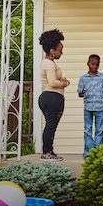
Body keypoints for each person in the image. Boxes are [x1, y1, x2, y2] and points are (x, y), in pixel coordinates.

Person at [38, 28, 69, 161]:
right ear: (52, 51)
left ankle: (49, 151)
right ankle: (47, 152)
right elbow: (52, 82)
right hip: (51, 97)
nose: (61, 52)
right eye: (59, 50)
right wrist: (64, 83)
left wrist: (61, 82)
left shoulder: (49, 63)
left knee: (50, 125)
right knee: (50, 125)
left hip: (50, 97)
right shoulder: (49, 64)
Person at [77, 54, 103, 158]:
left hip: (100, 107)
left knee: (99, 130)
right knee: (88, 129)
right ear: (88, 64)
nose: (95, 66)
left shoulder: (102, 77)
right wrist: (85, 93)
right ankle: (88, 152)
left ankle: (98, 152)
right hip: (88, 107)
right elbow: (79, 93)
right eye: (93, 64)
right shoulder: (83, 78)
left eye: (97, 64)